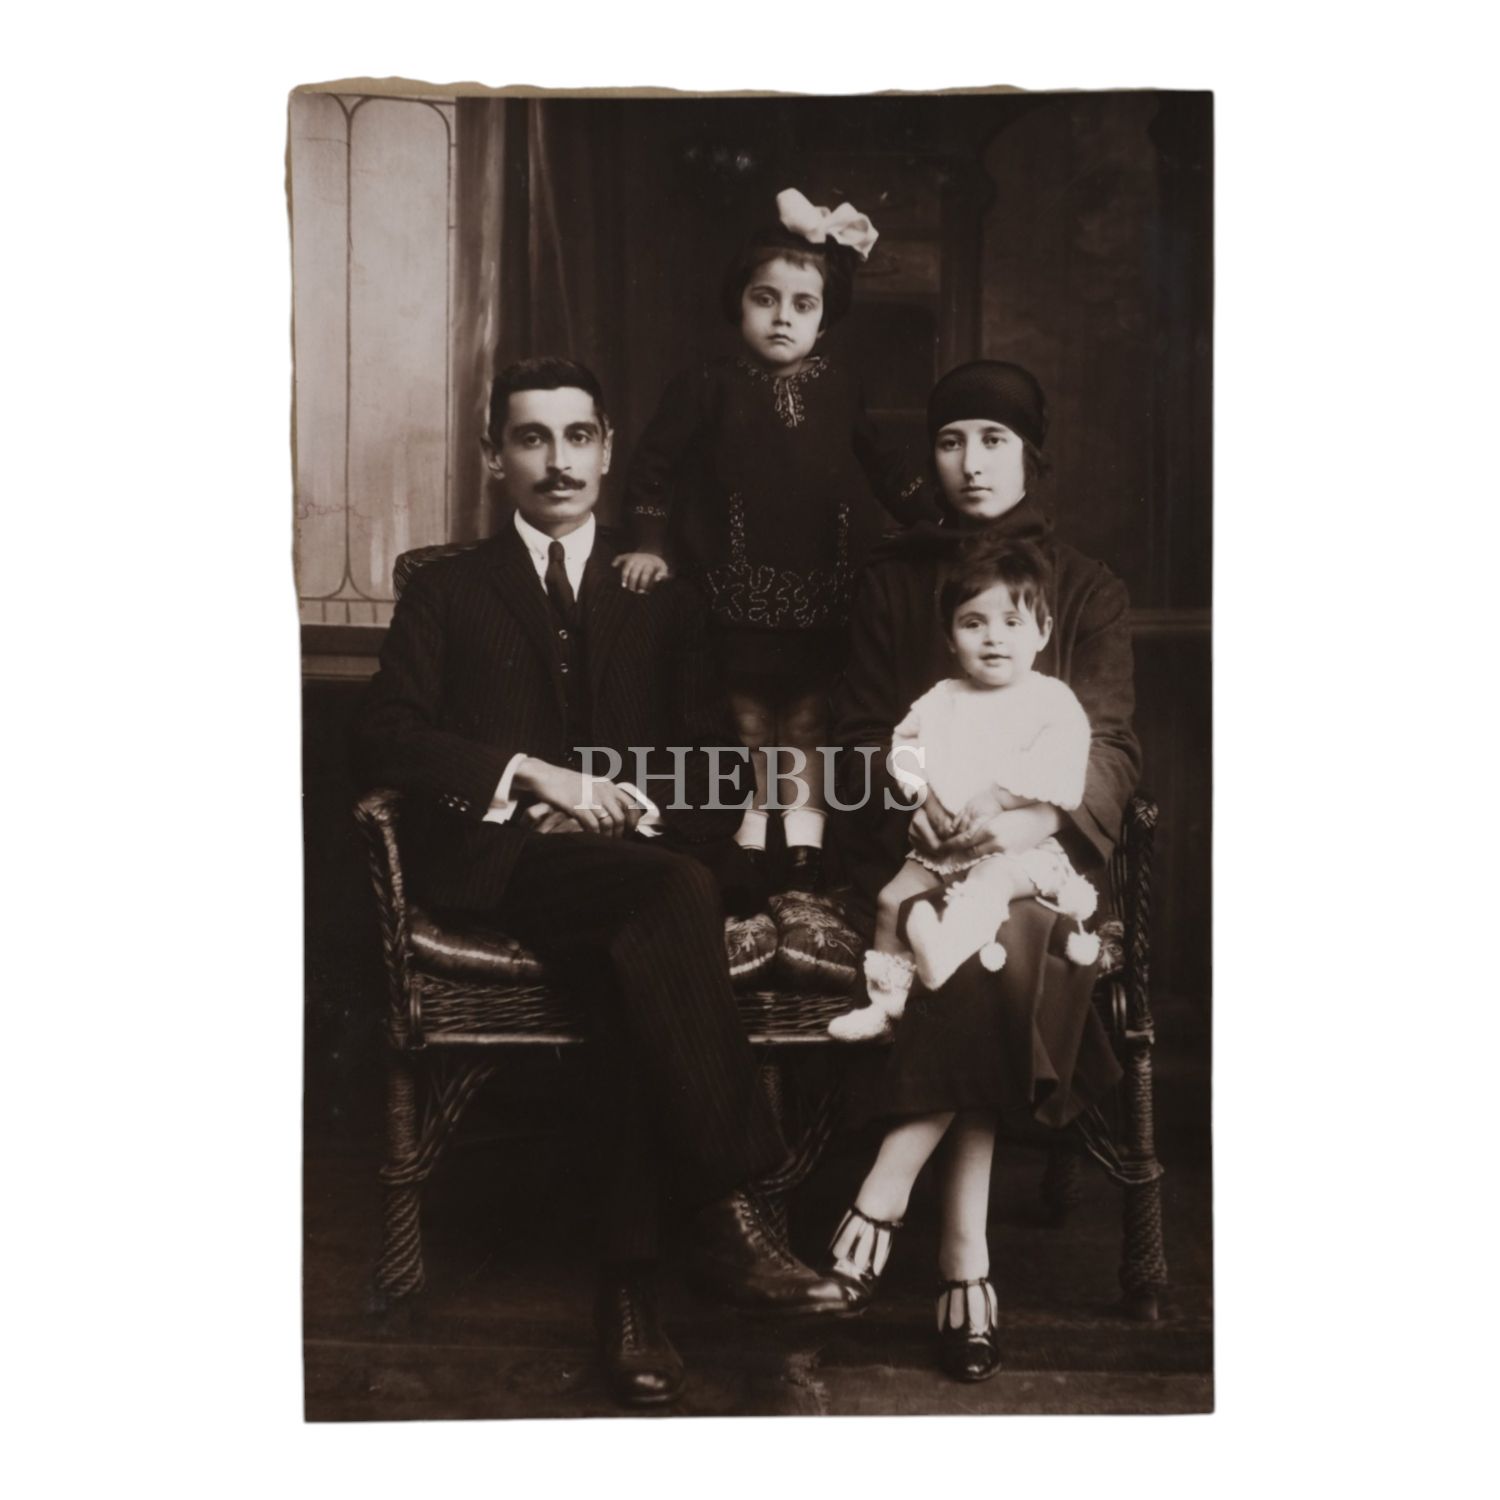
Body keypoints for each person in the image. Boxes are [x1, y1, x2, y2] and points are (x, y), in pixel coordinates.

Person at [355, 357, 850, 1409]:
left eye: (577, 436)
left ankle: (630, 1296)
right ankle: (727, 1212)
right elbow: (387, 735)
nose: (558, 460)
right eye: (531, 438)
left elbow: (720, 764)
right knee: (666, 901)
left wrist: (622, 805)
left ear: (609, 449)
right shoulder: (449, 590)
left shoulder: (663, 593)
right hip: (504, 863)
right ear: (494, 457)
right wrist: (533, 778)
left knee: (639, 947)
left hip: (636, 865)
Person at [821, 360, 1141, 1382]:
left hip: (1041, 860)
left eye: (994, 440)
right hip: (917, 851)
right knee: (973, 942)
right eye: (951, 440)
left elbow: (1110, 745)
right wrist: (913, 803)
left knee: (1001, 935)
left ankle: (899, 1197)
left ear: (1030, 455)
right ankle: (966, 1254)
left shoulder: (1085, 587)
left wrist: (1025, 820)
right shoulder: (890, 581)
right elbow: (864, 732)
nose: (971, 462)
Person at [616, 189, 931, 891]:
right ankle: (756, 826)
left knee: (811, 715)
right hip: (734, 587)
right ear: (739, 304)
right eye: (766, 299)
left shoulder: (841, 386)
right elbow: (653, 466)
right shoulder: (707, 384)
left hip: (826, 584)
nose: (783, 317)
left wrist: (934, 522)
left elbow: (887, 467)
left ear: (825, 316)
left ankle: (807, 832)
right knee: (750, 714)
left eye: (803, 304)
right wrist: (650, 542)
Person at [825, 538, 1100, 1041]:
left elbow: (1064, 764)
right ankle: (884, 1003)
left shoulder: (1049, 701)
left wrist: (1000, 797)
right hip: (946, 846)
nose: (993, 638)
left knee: (990, 882)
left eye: (1012, 622)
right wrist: (923, 796)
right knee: (891, 900)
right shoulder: (942, 699)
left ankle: (945, 951)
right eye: (973, 624)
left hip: (1019, 849)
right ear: (951, 639)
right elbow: (903, 745)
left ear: (1042, 631)